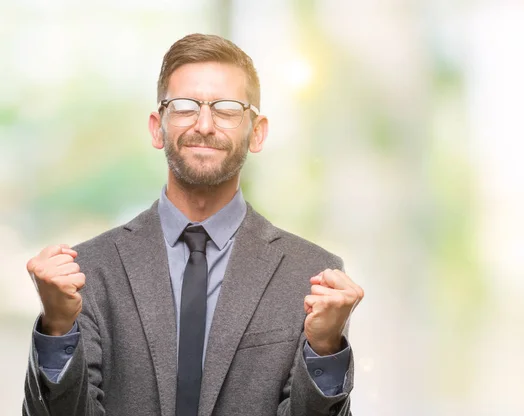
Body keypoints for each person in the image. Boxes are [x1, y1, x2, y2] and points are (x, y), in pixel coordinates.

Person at [22, 33, 364, 416]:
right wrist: (56, 329)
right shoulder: (89, 271)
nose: (204, 124)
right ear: (157, 127)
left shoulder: (311, 276)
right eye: (185, 106)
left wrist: (324, 351)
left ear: (258, 131)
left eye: (227, 108)